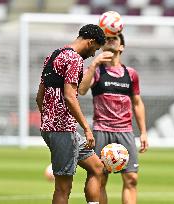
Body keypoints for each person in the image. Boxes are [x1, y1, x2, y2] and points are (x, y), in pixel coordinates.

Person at [36, 24, 113, 204]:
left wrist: (48, 120)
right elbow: (70, 97)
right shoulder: (75, 59)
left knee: (97, 167)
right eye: (95, 49)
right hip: (62, 130)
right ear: (90, 42)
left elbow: (39, 96)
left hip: (54, 128)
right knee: (63, 187)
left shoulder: (53, 56)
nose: (93, 54)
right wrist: (87, 128)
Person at [79, 33, 149, 204]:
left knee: (131, 178)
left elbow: (137, 103)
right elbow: (81, 90)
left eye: (114, 38)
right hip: (101, 130)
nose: (110, 40)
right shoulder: (96, 72)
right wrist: (95, 63)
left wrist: (144, 132)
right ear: (102, 46)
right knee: (101, 177)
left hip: (125, 131)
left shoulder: (130, 74)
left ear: (121, 47)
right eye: (107, 39)